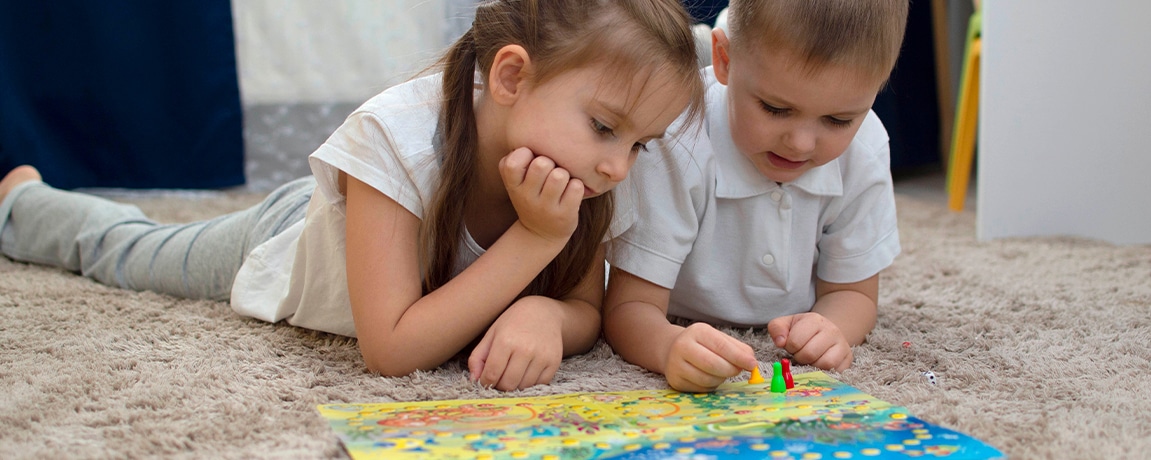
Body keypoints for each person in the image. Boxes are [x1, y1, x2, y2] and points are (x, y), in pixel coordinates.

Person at [0, 0, 704, 391]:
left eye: (641, 143)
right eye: (606, 127)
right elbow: (392, 351)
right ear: (513, 77)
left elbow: (587, 307)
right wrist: (537, 240)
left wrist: (548, 315)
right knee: (130, 252)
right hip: (290, 243)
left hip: (363, 220)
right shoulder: (395, 136)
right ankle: (23, 199)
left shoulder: (588, 173)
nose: (619, 165)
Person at [603, 0, 908, 392]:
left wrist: (832, 328)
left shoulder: (863, 149)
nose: (800, 143)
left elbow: (853, 293)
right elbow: (628, 309)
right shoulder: (674, 139)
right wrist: (668, 347)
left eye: (838, 120)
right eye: (775, 108)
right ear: (724, 59)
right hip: (675, 312)